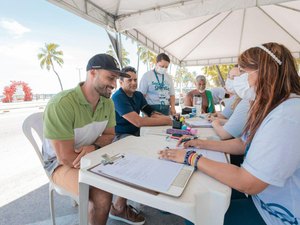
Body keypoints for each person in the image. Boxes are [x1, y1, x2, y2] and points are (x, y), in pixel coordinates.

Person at [159, 42, 300, 225]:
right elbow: (242, 144)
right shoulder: (274, 106)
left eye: (244, 73)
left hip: (275, 215)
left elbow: (249, 182)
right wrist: (199, 143)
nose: (238, 80)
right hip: (261, 198)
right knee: (197, 195)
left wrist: (191, 158)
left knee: (196, 214)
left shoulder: (286, 117)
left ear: (266, 72)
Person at [42, 54, 144, 225]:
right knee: (103, 190)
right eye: (110, 77)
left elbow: (110, 136)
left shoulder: (107, 103)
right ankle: (116, 208)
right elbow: (66, 157)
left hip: (90, 155)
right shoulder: (61, 104)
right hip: (58, 164)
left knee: (129, 167)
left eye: (116, 79)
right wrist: (104, 162)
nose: (113, 84)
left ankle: (118, 208)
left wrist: (94, 147)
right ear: (92, 73)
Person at [112, 66, 172, 140]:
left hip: (137, 131)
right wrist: (166, 121)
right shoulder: (118, 97)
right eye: (129, 80)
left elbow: (151, 113)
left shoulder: (138, 95)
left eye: (135, 80)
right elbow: (138, 122)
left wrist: (169, 119)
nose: (134, 83)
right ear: (121, 83)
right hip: (121, 135)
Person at [209, 67, 250, 140]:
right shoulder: (239, 98)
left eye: (234, 77)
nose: (229, 81)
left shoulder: (247, 101)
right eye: (229, 77)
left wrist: (215, 122)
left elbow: (225, 134)